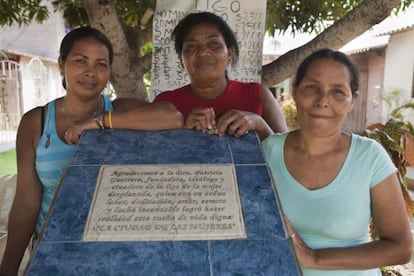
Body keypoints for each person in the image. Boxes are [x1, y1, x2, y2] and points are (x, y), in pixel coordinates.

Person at [0, 26, 182, 275]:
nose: (90, 72)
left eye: (101, 64)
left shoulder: (120, 112)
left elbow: (171, 116)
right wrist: (8, 268)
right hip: (53, 252)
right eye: (80, 61)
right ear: (62, 63)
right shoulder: (37, 123)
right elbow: (25, 204)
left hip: (112, 253)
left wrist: (98, 122)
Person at [262, 48, 412, 275]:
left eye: (338, 92)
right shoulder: (268, 152)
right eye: (312, 88)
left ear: (353, 101)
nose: (323, 101)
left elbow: (401, 248)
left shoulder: (369, 157)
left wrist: (314, 258)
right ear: (295, 90)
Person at [154, 12, 288, 140]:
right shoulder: (166, 103)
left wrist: (259, 125)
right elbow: (150, 156)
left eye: (213, 44)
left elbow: (286, 157)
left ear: (230, 54)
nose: (202, 52)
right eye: (192, 46)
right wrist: (183, 131)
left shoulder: (257, 95)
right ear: (181, 59)